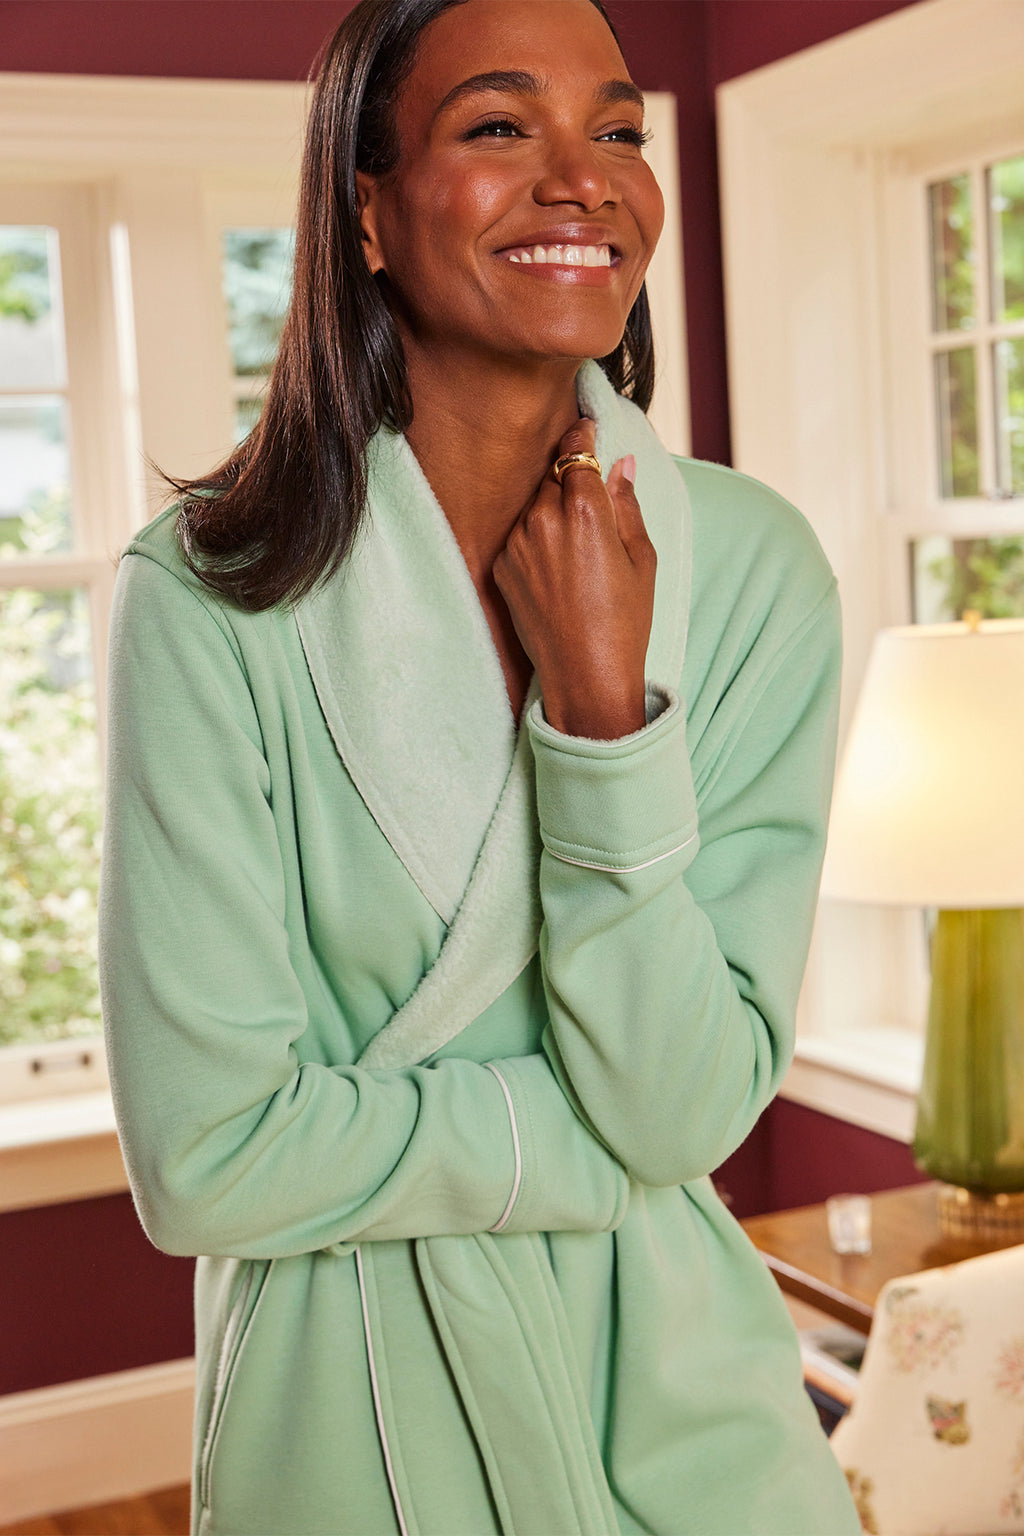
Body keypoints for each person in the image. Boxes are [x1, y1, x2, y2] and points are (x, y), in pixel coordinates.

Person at [99, 1, 862, 1532]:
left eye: (620, 130)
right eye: (501, 126)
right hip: (357, 1421)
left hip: (700, 1424)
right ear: (367, 210)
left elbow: (688, 1115)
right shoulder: (209, 591)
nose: (586, 178)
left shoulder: (758, 570)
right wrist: (590, 1152)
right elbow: (208, 1158)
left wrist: (605, 721)